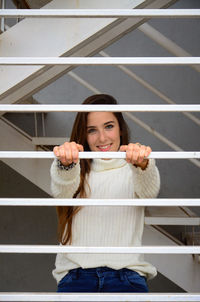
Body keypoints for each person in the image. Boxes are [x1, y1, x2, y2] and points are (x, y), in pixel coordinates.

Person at [50, 94, 160, 293]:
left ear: (120, 128)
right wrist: (66, 163)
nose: (102, 138)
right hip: (76, 277)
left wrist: (143, 164)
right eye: (92, 130)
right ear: (83, 135)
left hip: (127, 277)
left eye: (109, 126)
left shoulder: (136, 167)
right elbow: (62, 191)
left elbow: (149, 192)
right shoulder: (71, 166)